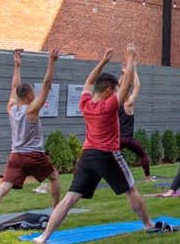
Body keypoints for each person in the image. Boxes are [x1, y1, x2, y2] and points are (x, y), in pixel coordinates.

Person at [33, 45, 155, 243]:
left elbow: (89, 81)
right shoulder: (109, 106)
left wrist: (104, 61)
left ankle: (44, 237)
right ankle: (149, 224)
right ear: (108, 90)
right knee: (131, 190)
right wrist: (131, 57)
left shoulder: (85, 104)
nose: (117, 92)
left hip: (87, 157)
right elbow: (127, 86)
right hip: (107, 155)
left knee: (70, 198)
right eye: (114, 90)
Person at [0, 49, 62, 229]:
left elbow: (14, 88)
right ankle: (56, 210)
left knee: (4, 187)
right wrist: (51, 62)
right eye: (33, 93)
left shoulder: (11, 108)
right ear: (29, 96)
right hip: (34, 155)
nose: (35, 94)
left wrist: (17, 66)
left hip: (15, 156)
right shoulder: (32, 110)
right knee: (54, 176)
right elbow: (47, 84)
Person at [118, 67, 154, 182]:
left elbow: (120, 87)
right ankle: (147, 177)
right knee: (143, 155)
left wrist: (123, 74)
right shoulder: (128, 104)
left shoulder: (115, 105)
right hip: (128, 139)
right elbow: (137, 86)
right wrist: (133, 70)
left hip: (117, 140)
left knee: (106, 158)